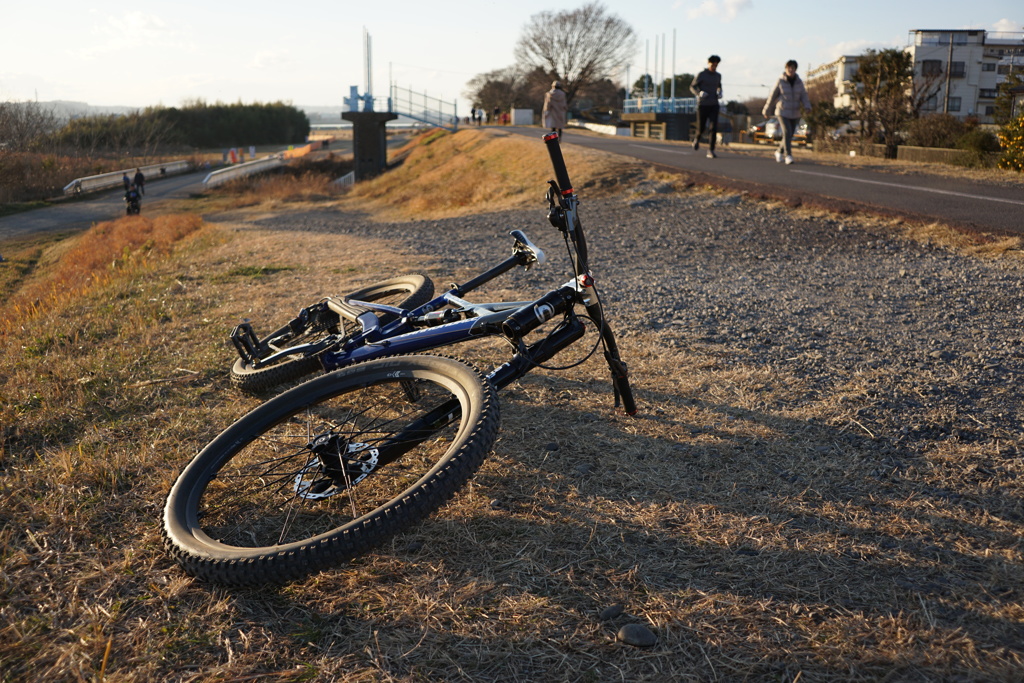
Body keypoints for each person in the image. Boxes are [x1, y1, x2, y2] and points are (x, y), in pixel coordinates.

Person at [763, 60, 811, 165]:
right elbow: (772, 96)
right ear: (786, 69)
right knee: (787, 132)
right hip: (782, 111)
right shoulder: (780, 81)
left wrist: (807, 106)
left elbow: (804, 96)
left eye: (793, 68)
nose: (791, 70)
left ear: (795, 69)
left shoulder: (799, 82)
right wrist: (766, 109)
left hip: (795, 112)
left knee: (789, 135)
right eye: (789, 68)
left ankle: (779, 151)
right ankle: (788, 155)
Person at [690, 55, 723, 158]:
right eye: (713, 64)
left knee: (714, 128)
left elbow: (719, 86)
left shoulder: (718, 75)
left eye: (716, 65)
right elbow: (692, 86)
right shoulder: (702, 75)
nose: (714, 66)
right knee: (702, 127)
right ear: (708, 63)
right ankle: (697, 139)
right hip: (703, 105)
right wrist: (699, 93)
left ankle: (711, 150)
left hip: (714, 104)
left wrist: (720, 92)